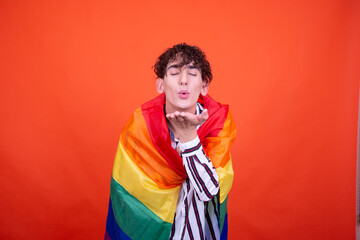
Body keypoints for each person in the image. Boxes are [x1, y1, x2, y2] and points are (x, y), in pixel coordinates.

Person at [105, 43, 236, 240]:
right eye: (174, 73)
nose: (183, 80)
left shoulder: (217, 124)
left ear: (204, 86)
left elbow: (210, 192)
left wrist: (189, 137)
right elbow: (128, 203)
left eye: (192, 74)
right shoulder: (141, 127)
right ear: (161, 85)